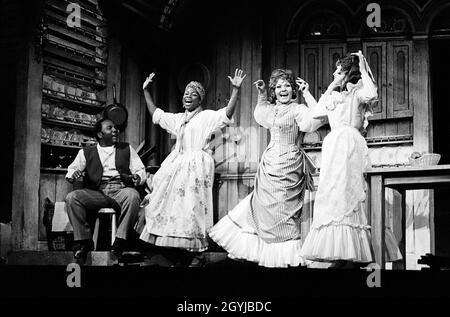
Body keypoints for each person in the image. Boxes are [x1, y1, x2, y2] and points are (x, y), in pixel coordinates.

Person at [208, 69, 326, 267]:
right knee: (266, 211)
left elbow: (315, 120)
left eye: (287, 85)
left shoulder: (298, 109)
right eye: (278, 86)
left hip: (290, 164)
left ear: (293, 89)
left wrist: (307, 93)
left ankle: (286, 259)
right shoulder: (271, 109)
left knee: (285, 212)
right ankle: (269, 258)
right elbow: (259, 114)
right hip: (270, 163)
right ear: (274, 90)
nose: (283, 89)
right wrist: (262, 94)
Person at [300, 51, 402, 268]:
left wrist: (364, 70)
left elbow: (372, 94)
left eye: (338, 71)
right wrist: (316, 90)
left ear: (348, 73)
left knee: (352, 192)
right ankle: (339, 253)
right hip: (333, 145)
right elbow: (317, 112)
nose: (334, 74)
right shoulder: (334, 96)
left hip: (350, 143)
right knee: (333, 193)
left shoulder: (357, 93)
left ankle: (354, 254)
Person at [138, 69, 246, 267]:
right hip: (178, 163)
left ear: (200, 100)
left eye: (193, 94)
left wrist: (236, 90)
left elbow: (226, 113)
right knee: (169, 204)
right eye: (186, 93)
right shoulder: (179, 119)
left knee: (191, 207)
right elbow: (157, 114)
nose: (188, 96)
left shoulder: (205, 117)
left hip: (196, 164)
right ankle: (173, 253)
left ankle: (194, 253)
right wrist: (145, 91)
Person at [65, 118, 146, 260]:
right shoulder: (86, 151)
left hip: (120, 190)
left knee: (133, 195)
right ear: (100, 134)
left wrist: (138, 177)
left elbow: (140, 170)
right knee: (72, 197)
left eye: (115, 128)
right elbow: (71, 170)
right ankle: (84, 242)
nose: (115, 130)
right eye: (110, 128)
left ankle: (121, 240)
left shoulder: (126, 148)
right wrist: (74, 174)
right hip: (97, 192)